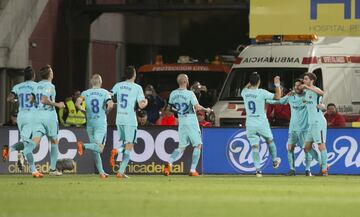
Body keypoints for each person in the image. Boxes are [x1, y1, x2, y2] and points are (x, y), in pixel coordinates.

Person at [267, 79, 319, 176]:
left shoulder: (308, 96)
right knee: (290, 148)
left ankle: (308, 169)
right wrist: (266, 100)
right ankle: (292, 170)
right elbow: (279, 101)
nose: (297, 87)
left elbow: (318, 96)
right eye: (295, 85)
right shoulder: (291, 96)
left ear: (303, 86)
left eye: (299, 85)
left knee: (307, 149)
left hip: (305, 128)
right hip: (293, 128)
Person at [163, 74, 212, 177]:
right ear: (186, 81)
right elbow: (197, 107)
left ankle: (169, 163)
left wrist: (178, 111)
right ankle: (192, 170)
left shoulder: (173, 94)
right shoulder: (190, 94)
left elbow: (169, 109)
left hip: (181, 121)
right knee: (198, 144)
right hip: (191, 121)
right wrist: (206, 109)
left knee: (181, 147)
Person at [240, 72, 282, 177]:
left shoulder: (244, 92)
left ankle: (258, 170)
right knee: (270, 141)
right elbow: (278, 96)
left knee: (255, 146)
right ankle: (274, 160)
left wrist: (251, 80)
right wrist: (277, 84)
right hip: (261, 122)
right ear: (259, 82)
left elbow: (246, 87)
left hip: (250, 123)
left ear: (250, 82)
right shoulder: (262, 92)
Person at [109, 66, 148, 178]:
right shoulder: (137, 87)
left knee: (127, 145)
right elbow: (141, 105)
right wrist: (146, 101)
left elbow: (109, 95)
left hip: (119, 119)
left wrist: (110, 102)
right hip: (130, 120)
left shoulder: (118, 85)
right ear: (134, 74)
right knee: (129, 146)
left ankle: (121, 172)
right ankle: (117, 151)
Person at [29, 65, 65, 177]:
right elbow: (44, 99)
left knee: (34, 142)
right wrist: (57, 104)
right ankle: (53, 169)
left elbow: (30, 101)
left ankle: (22, 151)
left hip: (38, 117)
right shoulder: (50, 86)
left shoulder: (37, 85)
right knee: (54, 141)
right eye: (52, 71)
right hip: (49, 117)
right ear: (50, 74)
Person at [75, 74, 113, 178]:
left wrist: (83, 110)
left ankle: (101, 172)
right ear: (100, 82)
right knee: (99, 148)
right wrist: (107, 111)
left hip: (90, 123)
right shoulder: (105, 92)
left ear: (91, 83)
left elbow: (77, 103)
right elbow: (110, 104)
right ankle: (83, 146)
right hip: (100, 123)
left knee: (95, 149)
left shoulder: (85, 93)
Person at [2, 67, 37, 173]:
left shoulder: (18, 86)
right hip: (31, 116)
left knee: (27, 141)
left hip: (21, 117)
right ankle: (12, 150)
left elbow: (8, 98)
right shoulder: (37, 86)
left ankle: (30, 166)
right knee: (32, 142)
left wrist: (16, 99)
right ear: (33, 76)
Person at [302, 72, 328, 176]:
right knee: (306, 147)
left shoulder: (315, 90)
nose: (304, 81)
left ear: (311, 81)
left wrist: (309, 87)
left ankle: (324, 170)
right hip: (311, 123)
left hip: (318, 122)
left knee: (321, 146)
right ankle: (322, 163)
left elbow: (322, 93)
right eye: (304, 79)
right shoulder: (306, 92)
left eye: (306, 79)